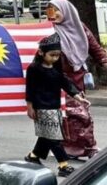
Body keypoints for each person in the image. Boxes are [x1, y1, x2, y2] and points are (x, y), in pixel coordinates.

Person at [46, 0, 107, 159]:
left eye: (56, 9)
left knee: (80, 114)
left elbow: (97, 50)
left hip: (75, 79)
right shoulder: (47, 30)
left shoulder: (80, 28)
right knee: (61, 115)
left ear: (67, 11)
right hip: (54, 80)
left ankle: (88, 146)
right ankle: (65, 147)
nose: (52, 12)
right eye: (49, 9)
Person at [25, 33, 91, 178]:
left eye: (57, 55)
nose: (55, 58)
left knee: (46, 135)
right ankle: (63, 165)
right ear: (42, 53)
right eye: (52, 55)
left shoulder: (56, 68)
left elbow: (65, 83)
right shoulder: (34, 69)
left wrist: (78, 97)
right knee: (54, 137)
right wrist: (30, 106)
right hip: (41, 107)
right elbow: (30, 88)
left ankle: (33, 156)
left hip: (54, 106)